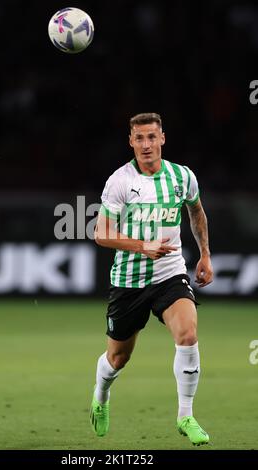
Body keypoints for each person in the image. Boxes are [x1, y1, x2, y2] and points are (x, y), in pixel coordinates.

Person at [90, 112, 213, 446]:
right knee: (117, 359)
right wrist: (142, 246)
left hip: (170, 273)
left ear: (162, 139)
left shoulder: (182, 176)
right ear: (131, 142)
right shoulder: (120, 181)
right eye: (139, 138)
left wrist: (204, 253)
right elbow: (101, 232)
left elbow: (196, 210)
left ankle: (185, 415)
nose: (146, 144)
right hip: (129, 280)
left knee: (187, 333)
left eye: (151, 137)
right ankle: (101, 396)